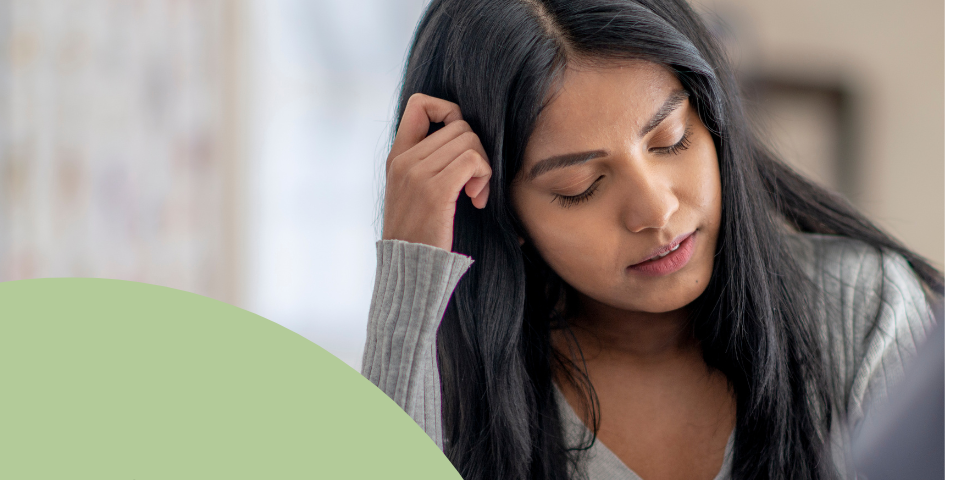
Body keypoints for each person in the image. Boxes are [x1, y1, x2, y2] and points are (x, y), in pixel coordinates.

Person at [360, 0, 943, 479]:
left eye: (670, 141)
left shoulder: (862, 304)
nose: (657, 210)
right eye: (580, 186)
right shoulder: (452, 372)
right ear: (499, 212)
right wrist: (411, 274)